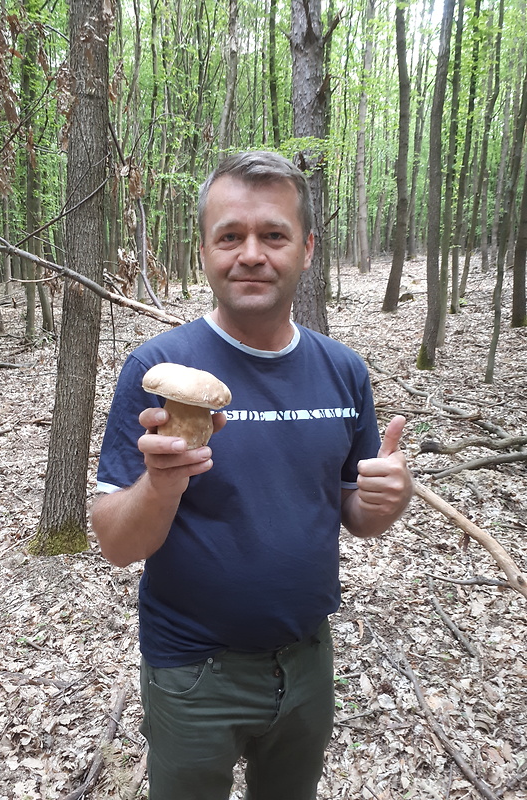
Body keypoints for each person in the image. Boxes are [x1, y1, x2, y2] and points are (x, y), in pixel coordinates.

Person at [91, 151, 413, 800]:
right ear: (204, 249)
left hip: (308, 663)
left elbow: (355, 513)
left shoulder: (342, 371)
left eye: (273, 234)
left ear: (307, 248)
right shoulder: (158, 369)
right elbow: (117, 546)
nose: (251, 254)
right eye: (230, 235)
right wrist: (162, 484)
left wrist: (387, 501)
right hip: (191, 669)